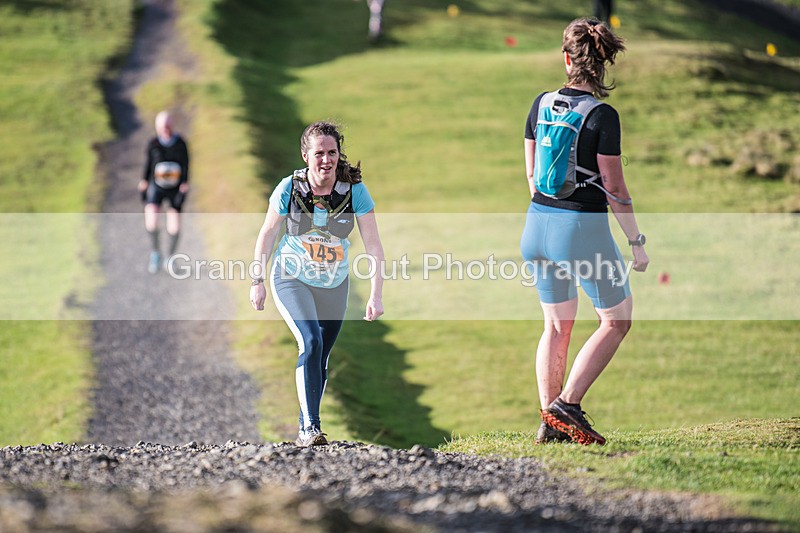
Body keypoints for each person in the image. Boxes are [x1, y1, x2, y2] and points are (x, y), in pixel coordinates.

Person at [521, 18, 648, 445]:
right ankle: (567, 406)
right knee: (616, 320)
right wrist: (636, 241)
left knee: (556, 326)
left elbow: (532, 175)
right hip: (580, 228)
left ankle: (549, 422)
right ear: (605, 62)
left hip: (536, 226)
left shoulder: (540, 103)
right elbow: (614, 187)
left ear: (566, 58)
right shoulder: (602, 116)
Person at [250, 121, 385, 447]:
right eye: (319, 153)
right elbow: (267, 233)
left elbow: (374, 246)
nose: (326, 160)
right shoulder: (289, 187)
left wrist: (376, 295)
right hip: (291, 277)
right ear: (306, 156)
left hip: (333, 283)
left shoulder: (354, 191)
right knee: (310, 342)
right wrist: (257, 280)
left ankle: (305, 426)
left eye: (332, 152)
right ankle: (311, 427)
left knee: (321, 356)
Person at [138, 111, 190, 274]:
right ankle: (156, 253)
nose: (165, 129)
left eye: (167, 126)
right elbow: (149, 164)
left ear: (172, 126)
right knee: (151, 219)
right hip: (157, 187)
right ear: (157, 127)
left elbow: (186, 165)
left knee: (174, 226)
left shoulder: (180, 143)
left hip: (175, 188)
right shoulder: (153, 144)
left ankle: (170, 257)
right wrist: (144, 181)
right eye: (162, 126)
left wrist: (185, 183)